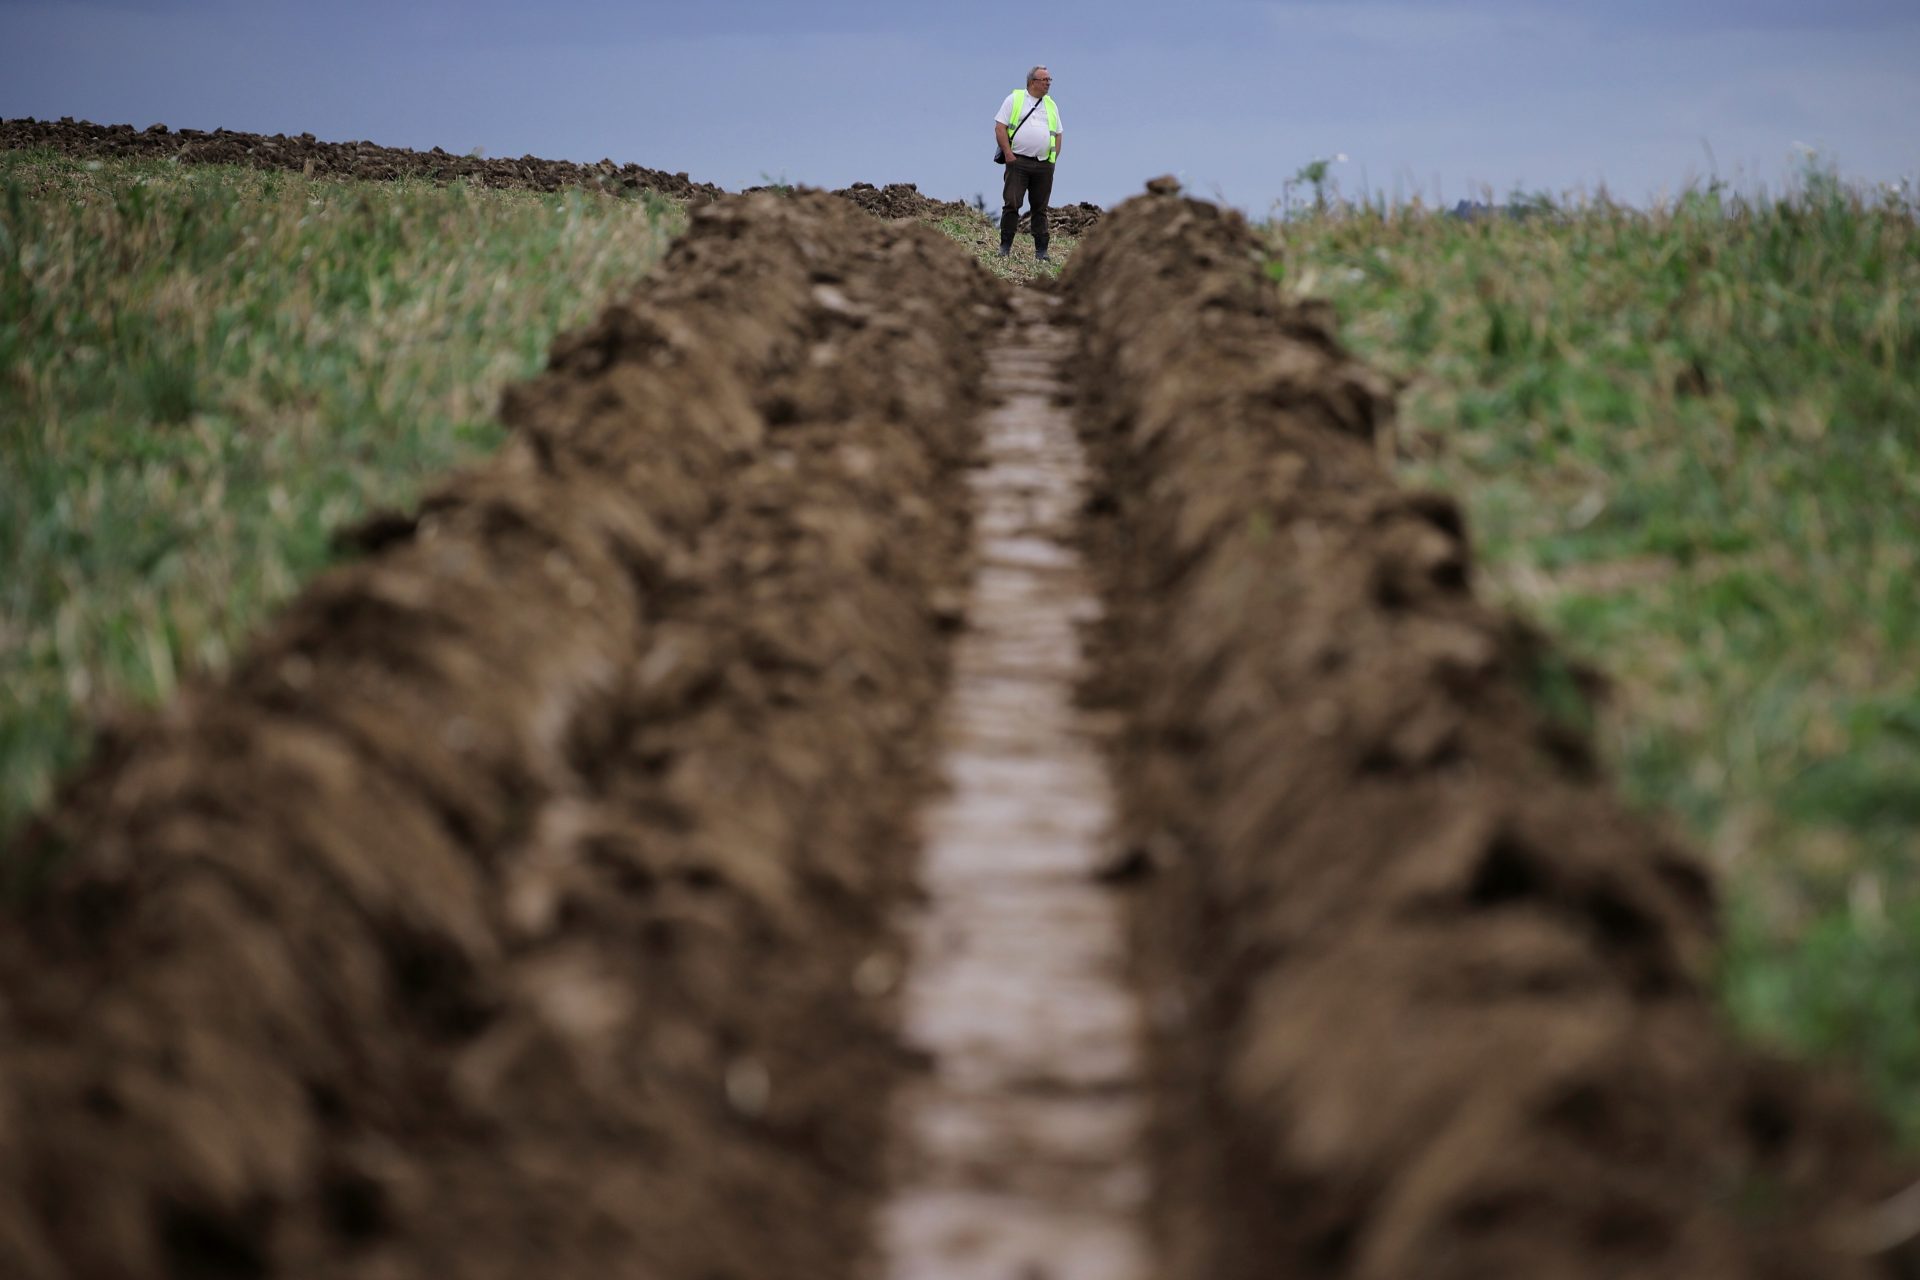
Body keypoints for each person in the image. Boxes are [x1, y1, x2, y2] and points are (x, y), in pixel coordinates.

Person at [993, 67, 1062, 261]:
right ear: (1032, 81)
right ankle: (1005, 247)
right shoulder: (1014, 100)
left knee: (1040, 208)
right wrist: (1008, 154)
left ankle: (1042, 252)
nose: (1048, 83)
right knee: (1012, 204)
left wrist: (1053, 159)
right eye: (1044, 79)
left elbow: (1058, 133)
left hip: (1043, 165)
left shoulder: (1051, 105)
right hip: (1018, 161)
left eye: (1050, 79)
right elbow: (1000, 127)